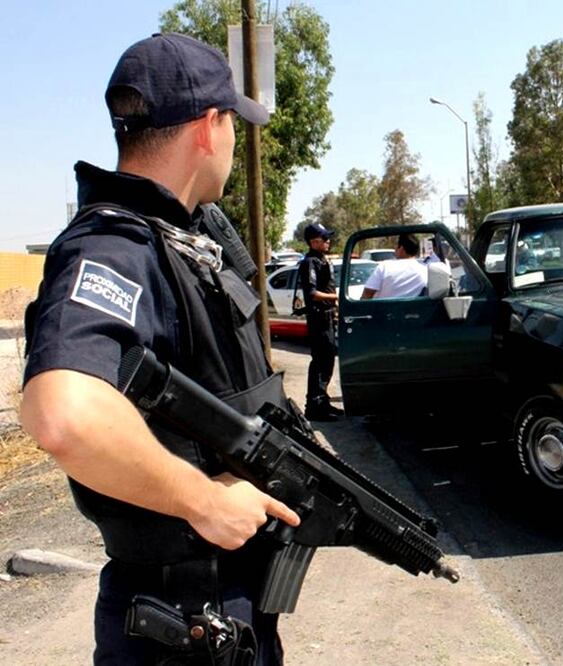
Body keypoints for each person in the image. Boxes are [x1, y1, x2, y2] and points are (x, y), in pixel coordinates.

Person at [19, 33, 302, 665]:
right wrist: (203, 499)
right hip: (179, 619)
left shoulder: (182, 236)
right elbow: (62, 414)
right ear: (209, 127)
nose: (233, 140)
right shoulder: (115, 247)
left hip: (221, 613)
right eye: (232, 122)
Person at [296, 222, 343, 422]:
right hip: (319, 319)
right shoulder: (309, 263)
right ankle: (314, 407)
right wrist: (336, 297)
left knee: (328, 361)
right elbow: (312, 293)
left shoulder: (322, 260)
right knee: (321, 362)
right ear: (314, 242)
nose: (328, 241)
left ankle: (323, 403)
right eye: (324, 239)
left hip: (328, 318)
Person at [361, 233, 428, 299]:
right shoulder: (425, 270)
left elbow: (366, 295)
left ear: (401, 248)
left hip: (383, 309)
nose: (395, 249)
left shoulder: (384, 267)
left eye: (396, 246)